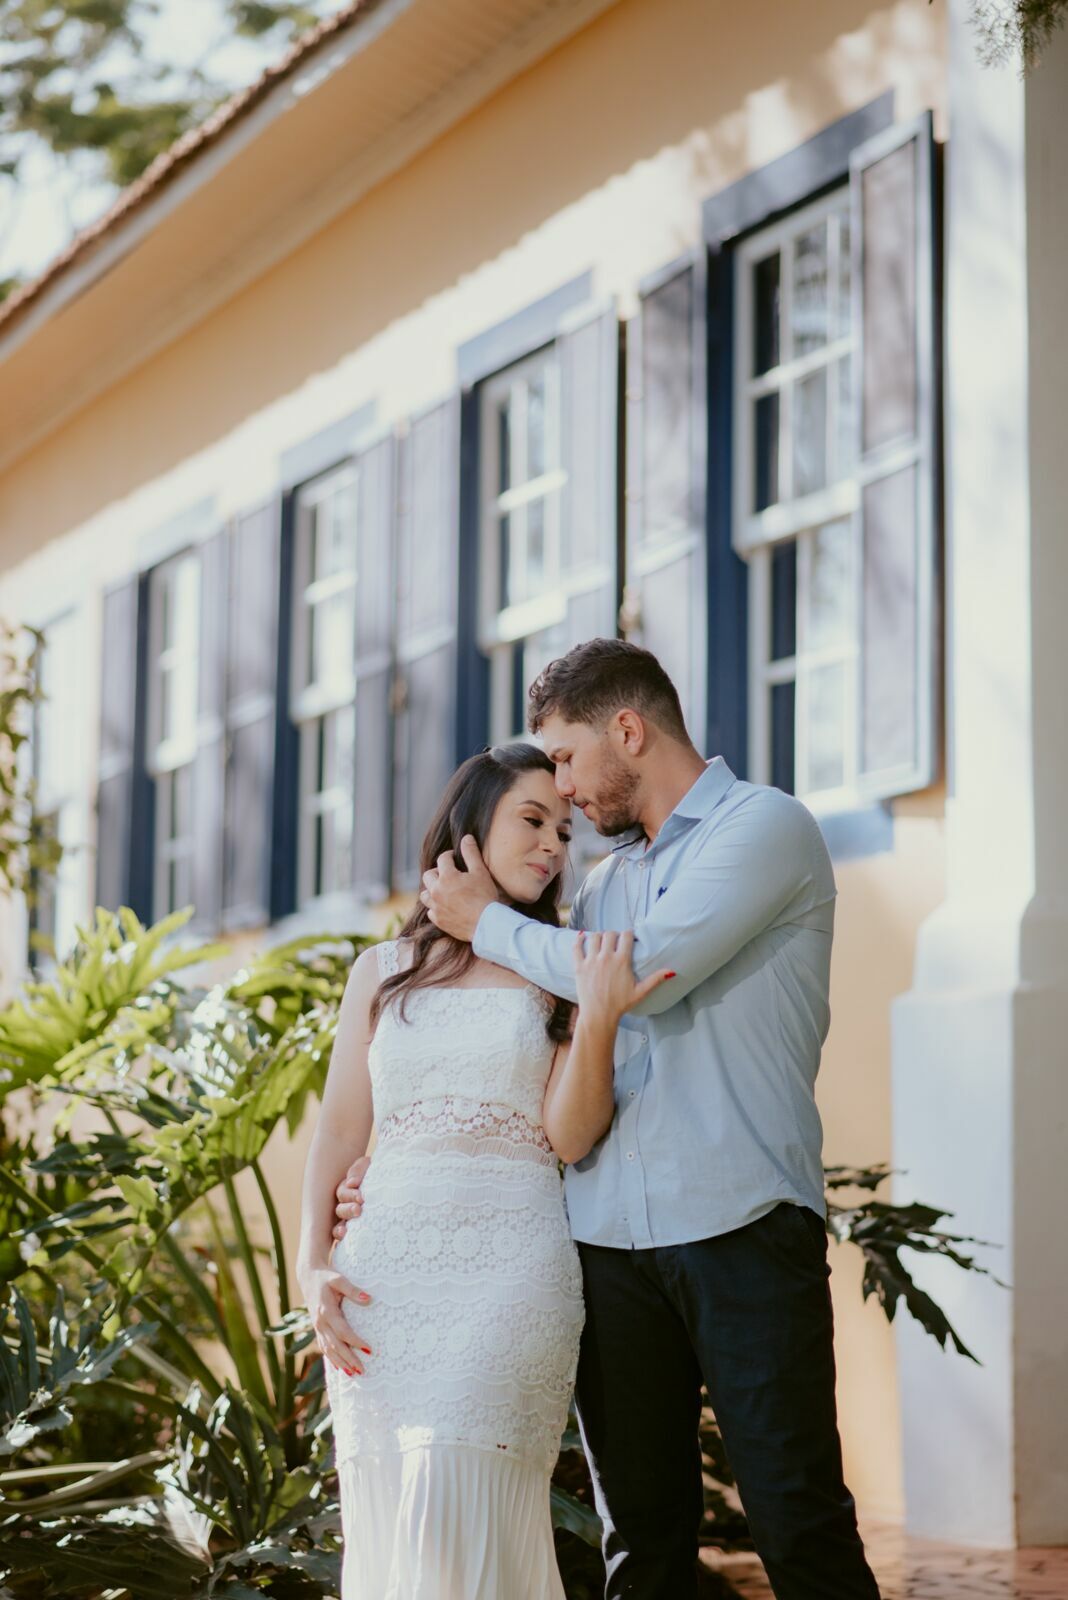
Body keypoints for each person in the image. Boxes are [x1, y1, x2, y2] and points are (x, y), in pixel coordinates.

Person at [337, 638, 881, 1600]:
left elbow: (638, 978)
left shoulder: (765, 828)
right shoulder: (596, 886)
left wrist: (479, 920)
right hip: (603, 1246)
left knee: (798, 1520)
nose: (565, 791)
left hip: (742, 1223)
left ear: (628, 729)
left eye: (569, 758)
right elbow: (544, 1047)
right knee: (640, 1541)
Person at [295, 741, 671, 1600]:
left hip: (511, 1276)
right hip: (384, 1289)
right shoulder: (382, 973)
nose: (552, 845)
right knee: (396, 1522)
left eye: (565, 830)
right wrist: (311, 1266)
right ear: (469, 830)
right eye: (531, 820)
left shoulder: (562, 966)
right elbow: (341, 1133)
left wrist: (601, 1018)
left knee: (454, 1503)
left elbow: (571, 1137)